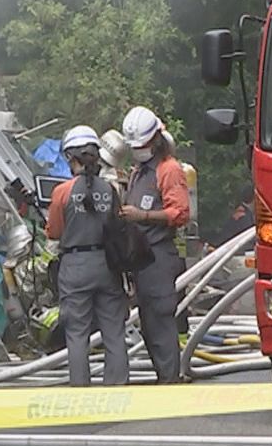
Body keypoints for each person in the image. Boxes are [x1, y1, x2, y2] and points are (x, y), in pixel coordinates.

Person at [44, 125, 132, 387]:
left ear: (71, 157)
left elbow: (54, 232)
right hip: (108, 266)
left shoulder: (62, 192)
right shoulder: (110, 190)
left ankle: (81, 389)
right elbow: (118, 227)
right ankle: (117, 387)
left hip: (75, 266)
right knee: (114, 332)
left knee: (77, 333)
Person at [118, 105, 193, 383]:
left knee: (161, 321)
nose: (139, 149)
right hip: (139, 257)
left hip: (158, 257)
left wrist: (143, 216)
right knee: (149, 324)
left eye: (143, 144)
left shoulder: (169, 170)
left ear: (155, 140)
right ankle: (164, 376)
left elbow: (180, 213)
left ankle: (169, 380)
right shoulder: (139, 171)